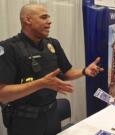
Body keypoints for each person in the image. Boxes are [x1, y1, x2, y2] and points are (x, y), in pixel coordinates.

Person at [0, 4, 104, 135]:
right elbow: (2, 94)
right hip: (24, 121)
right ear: (27, 20)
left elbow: (66, 73)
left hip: (52, 115)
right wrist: (41, 83)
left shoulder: (52, 44)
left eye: (48, 17)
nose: (49, 21)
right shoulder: (9, 48)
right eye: (43, 17)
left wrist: (84, 71)